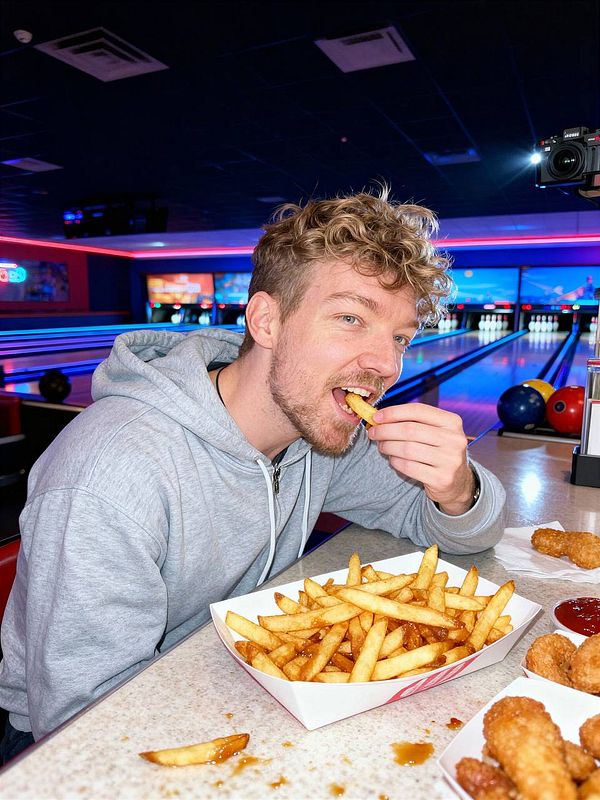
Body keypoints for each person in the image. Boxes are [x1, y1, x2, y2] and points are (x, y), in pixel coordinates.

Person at [0, 187, 506, 763]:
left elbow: (456, 531)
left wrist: (455, 486)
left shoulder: (315, 435)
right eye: (350, 318)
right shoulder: (111, 475)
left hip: (230, 688)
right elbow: (86, 722)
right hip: (61, 745)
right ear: (266, 319)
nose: (386, 365)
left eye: (399, 337)